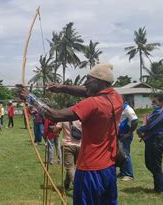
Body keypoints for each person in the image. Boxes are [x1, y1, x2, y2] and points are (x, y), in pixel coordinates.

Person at [18, 63, 122, 204]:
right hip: (108, 168)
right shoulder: (116, 97)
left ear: (99, 82)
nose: (85, 83)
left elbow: (54, 115)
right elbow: (85, 91)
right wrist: (61, 88)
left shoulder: (93, 103)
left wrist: (30, 97)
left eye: (88, 79)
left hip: (89, 170)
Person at [136, 95, 163, 194]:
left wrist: (140, 130)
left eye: (155, 102)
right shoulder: (156, 112)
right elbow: (148, 124)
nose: (153, 104)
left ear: (162, 102)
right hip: (151, 141)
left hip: (157, 141)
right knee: (150, 164)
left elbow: (151, 125)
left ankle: (158, 189)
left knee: (155, 165)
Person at [61, 103, 82, 190]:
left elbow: (56, 129)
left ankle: (77, 186)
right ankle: (66, 183)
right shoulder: (80, 118)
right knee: (72, 166)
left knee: (70, 167)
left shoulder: (63, 118)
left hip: (68, 145)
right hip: (80, 146)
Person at [118, 101, 138, 181]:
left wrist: (129, 133)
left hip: (125, 135)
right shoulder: (119, 108)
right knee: (120, 154)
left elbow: (135, 121)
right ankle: (123, 171)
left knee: (125, 153)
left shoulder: (128, 109)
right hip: (119, 134)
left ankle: (128, 174)